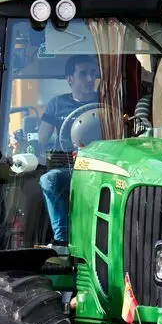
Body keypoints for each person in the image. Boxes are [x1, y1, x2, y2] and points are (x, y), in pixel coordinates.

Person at [37, 54, 100, 252]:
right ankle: (62, 240)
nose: (90, 79)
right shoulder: (57, 104)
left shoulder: (105, 102)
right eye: (83, 74)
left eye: (92, 74)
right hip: (68, 167)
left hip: (100, 167)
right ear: (69, 78)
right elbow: (43, 137)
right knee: (48, 180)